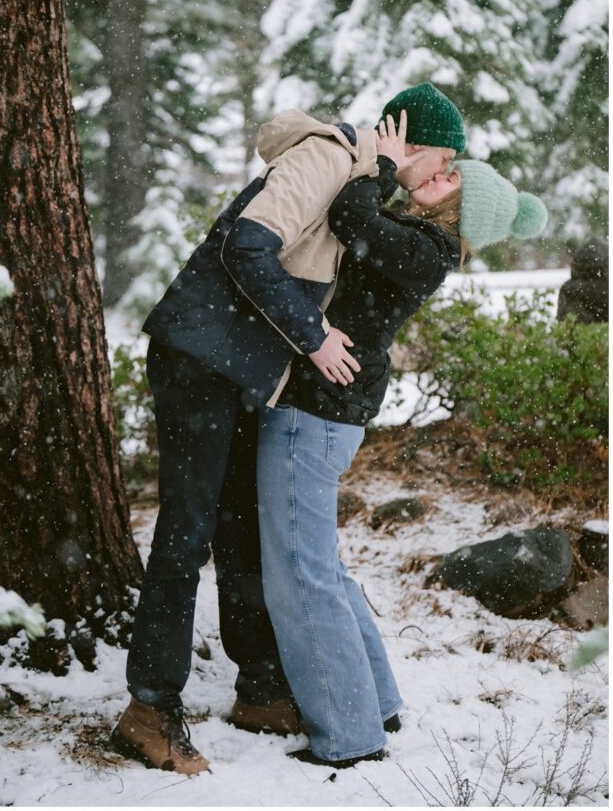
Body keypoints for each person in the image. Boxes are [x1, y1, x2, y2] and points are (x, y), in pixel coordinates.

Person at [112, 85, 465, 774]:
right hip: (198, 358)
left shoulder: (361, 184)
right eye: (442, 161)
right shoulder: (327, 157)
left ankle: (262, 689)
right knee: (185, 532)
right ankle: (149, 707)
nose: (442, 178)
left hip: (244, 369)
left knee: (240, 526)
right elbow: (247, 246)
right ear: (411, 147)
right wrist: (311, 336)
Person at [256, 111, 548, 768]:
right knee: (318, 564)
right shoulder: (415, 237)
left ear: (461, 211)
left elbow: (351, 220)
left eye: (448, 179)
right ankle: (376, 702)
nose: (437, 174)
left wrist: (384, 164)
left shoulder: (426, 251)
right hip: (325, 407)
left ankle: (349, 738)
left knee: (299, 574)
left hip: (316, 409)